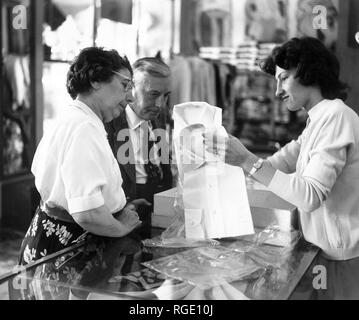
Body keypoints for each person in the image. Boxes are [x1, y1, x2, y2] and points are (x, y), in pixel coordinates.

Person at [205, 37, 359, 299]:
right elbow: (283, 160)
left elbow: (310, 196)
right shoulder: (317, 120)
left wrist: (246, 160)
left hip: (342, 260)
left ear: (309, 71)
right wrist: (233, 162)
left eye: (284, 77)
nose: (277, 91)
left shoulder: (336, 116)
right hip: (325, 253)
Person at [16, 47, 147, 299]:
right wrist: (120, 226)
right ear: (96, 80)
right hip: (70, 250)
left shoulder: (74, 117)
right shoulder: (84, 127)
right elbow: (87, 212)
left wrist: (118, 206)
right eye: (124, 85)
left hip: (53, 238)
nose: (130, 97)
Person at [106, 57, 173, 240]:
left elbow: (164, 163)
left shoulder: (157, 117)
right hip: (125, 208)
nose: (160, 104)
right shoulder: (110, 124)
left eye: (165, 96)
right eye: (153, 94)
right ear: (131, 89)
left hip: (159, 203)